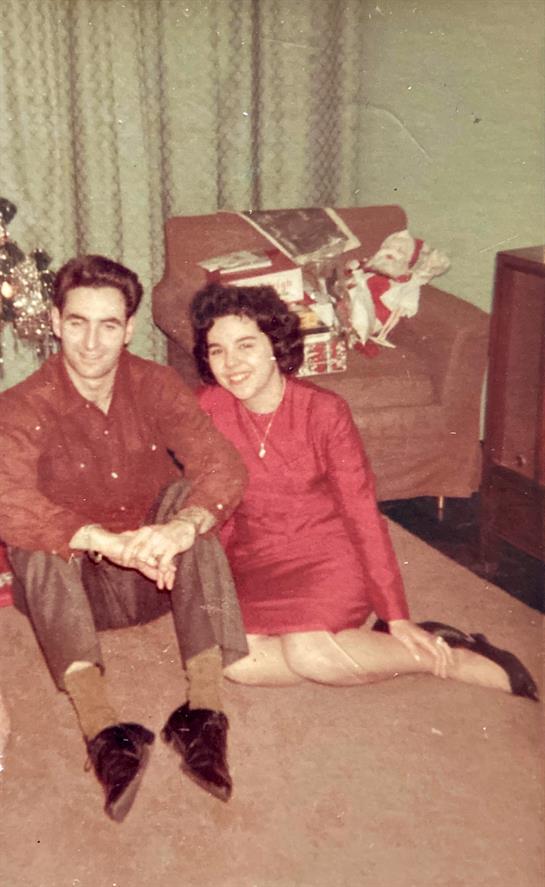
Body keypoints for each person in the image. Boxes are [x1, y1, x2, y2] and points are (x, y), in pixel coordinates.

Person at [189, 281, 538, 700]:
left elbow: (361, 513)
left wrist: (396, 614)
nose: (231, 363)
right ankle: (381, 648)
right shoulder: (207, 408)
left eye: (245, 345)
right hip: (258, 557)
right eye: (217, 350)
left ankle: (447, 656)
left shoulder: (324, 411)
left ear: (274, 345)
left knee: (311, 654)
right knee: (238, 663)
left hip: (328, 553)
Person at [0, 256, 250, 822]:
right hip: (74, 595)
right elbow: (6, 498)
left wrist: (178, 529)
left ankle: (204, 716)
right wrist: (100, 541)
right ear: (57, 322)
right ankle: (105, 733)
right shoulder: (20, 405)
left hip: (159, 579)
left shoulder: (156, 384)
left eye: (109, 325)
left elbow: (223, 467)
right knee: (33, 535)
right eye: (79, 322)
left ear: (129, 328)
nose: (92, 342)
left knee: (189, 500)